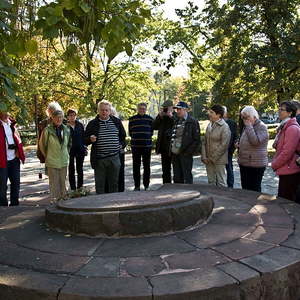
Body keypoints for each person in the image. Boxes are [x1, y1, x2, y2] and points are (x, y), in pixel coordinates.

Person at [85, 100, 126, 194]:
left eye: (106, 110)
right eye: (102, 110)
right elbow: (84, 139)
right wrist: (89, 139)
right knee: (100, 185)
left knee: (114, 184)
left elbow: (123, 137)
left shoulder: (116, 122)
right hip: (99, 159)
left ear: (110, 111)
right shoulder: (92, 123)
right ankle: (100, 206)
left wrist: (121, 145)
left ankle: (113, 205)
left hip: (114, 158)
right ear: (98, 111)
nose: (104, 112)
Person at [39, 110, 71, 201]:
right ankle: (55, 204)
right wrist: (48, 155)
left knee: (64, 183)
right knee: (54, 185)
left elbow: (69, 144)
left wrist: (65, 154)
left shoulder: (66, 129)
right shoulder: (47, 130)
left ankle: (65, 204)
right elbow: (42, 146)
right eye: (56, 117)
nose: (59, 119)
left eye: (61, 117)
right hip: (52, 161)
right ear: (52, 118)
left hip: (64, 161)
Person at [272, 101, 300, 202]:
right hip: (286, 169)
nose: (279, 111)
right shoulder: (284, 126)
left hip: (290, 170)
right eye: (279, 108)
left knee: (286, 202)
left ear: (290, 113)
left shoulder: (292, 128)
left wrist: (274, 164)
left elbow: (287, 152)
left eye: (282, 109)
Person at [238, 106, 269, 192]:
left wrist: (249, 126)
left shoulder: (261, 127)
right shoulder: (247, 126)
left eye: (246, 117)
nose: (244, 120)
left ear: (254, 117)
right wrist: (239, 143)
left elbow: (255, 142)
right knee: (245, 188)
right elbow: (246, 140)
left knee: (254, 189)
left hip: (256, 164)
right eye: (243, 117)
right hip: (245, 162)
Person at [171, 101, 201, 184]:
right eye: (177, 109)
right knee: (176, 177)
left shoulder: (193, 121)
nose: (177, 111)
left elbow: (196, 139)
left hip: (186, 155)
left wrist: (188, 152)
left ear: (185, 110)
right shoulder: (176, 120)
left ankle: (188, 195)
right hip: (175, 154)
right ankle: (177, 195)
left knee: (187, 177)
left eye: (179, 109)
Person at [201, 105, 231, 187]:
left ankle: (222, 199)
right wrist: (204, 157)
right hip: (208, 160)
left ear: (218, 115)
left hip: (219, 160)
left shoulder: (224, 127)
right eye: (209, 112)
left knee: (221, 183)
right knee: (211, 182)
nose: (209, 114)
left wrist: (212, 158)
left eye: (212, 112)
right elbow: (204, 142)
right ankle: (212, 198)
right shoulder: (209, 125)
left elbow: (224, 145)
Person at [0, 111, 25, 206]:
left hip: (14, 159)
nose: (6, 114)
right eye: (3, 112)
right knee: (2, 186)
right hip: (2, 161)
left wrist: (19, 151)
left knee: (16, 184)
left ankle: (14, 205)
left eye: (7, 112)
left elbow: (17, 139)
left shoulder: (12, 124)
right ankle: (3, 207)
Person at [129, 103, 153, 191]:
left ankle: (146, 185)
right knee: (136, 167)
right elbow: (130, 133)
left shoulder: (150, 119)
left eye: (143, 108)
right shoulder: (132, 120)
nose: (142, 110)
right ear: (137, 109)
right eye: (140, 108)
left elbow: (151, 132)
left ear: (146, 109)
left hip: (147, 146)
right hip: (135, 147)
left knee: (147, 166)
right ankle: (137, 186)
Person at [152, 100, 175, 184]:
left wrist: (171, 116)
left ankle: (176, 186)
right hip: (163, 148)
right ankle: (166, 185)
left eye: (167, 108)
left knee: (176, 169)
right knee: (165, 169)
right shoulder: (161, 117)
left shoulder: (175, 116)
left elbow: (177, 125)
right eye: (164, 108)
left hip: (173, 147)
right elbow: (153, 126)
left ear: (172, 107)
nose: (165, 109)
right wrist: (159, 116)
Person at [67, 108, 86, 191]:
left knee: (80, 169)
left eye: (73, 115)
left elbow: (84, 137)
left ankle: (80, 187)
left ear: (76, 116)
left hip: (80, 149)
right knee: (71, 169)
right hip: (70, 150)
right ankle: (73, 188)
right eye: (70, 115)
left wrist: (84, 147)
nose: (72, 117)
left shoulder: (80, 125)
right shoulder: (65, 126)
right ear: (67, 117)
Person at [223, 106, 238, 188]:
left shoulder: (232, 123)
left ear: (226, 113)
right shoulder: (215, 122)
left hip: (228, 150)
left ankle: (230, 186)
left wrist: (232, 148)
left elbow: (235, 136)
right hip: (219, 151)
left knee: (229, 168)